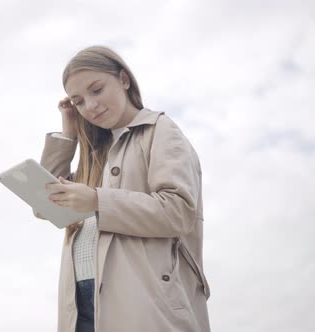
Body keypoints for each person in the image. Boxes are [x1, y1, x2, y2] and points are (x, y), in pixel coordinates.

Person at [34, 46, 211, 332]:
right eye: (78, 101)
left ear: (124, 80)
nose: (90, 106)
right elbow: (46, 204)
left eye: (97, 90)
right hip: (80, 303)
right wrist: (68, 134)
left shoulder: (160, 129)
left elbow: (178, 212)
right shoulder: (95, 152)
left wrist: (96, 200)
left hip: (142, 300)